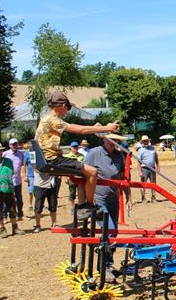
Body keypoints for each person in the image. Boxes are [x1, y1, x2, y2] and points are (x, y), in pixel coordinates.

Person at [34, 90, 120, 218]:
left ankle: (82, 205)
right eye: (68, 108)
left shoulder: (46, 119)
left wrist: (94, 127)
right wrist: (107, 128)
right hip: (51, 160)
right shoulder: (52, 120)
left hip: (49, 159)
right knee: (93, 172)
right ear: (63, 106)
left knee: (82, 174)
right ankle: (90, 206)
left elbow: (83, 128)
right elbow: (81, 130)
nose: (67, 111)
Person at [84, 135, 131, 281]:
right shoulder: (94, 153)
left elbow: (123, 177)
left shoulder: (118, 156)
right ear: (104, 140)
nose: (113, 143)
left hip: (113, 199)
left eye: (115, 141)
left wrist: (128, 196)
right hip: (99, 199)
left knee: (113, 233)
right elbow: (83, 174)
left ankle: (108, 264)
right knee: (109, 230)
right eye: (110, 140)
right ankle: (103, 265)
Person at [0, 142, 23, 238]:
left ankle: (15, 228)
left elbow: (11, 173)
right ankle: (2, 229)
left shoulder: (8, 161)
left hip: (8, 189)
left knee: (12, 209)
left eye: (0, 150)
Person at [2, 138, 26, 221]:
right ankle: (5, 216)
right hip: (8, 180)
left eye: (16, 144)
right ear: (9, 145)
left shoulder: (21, 154)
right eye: (13, 144)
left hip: (18, 180)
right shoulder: (5, 154)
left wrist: (24, 175)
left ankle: (20, 214)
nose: (15, 146)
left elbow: (23, 165)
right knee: (6, 199)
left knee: (19, 199)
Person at [63, 141, 85, 214]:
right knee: (72, 192)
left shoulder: (81, 156)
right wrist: (65, 177)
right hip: (71, 177)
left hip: (80, 177)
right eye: (74, 147)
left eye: (76, 147)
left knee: (81, 193)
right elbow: (64, 168)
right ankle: (72, 207)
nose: (75, 148)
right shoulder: (67, 156)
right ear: (71, 148)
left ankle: (80, 206)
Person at [137, 135, 160, 203]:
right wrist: (140, 171)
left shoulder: (153, 148)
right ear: (142, 142)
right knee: (143, 184)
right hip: (144, 168)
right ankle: (143, 198)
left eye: (146, 141)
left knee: (153, 184)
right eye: (144, 141)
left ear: (148, 141)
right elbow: (138, 162)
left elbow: (156, 159)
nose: (145, 142)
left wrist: (158, 167)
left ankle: (153, 197)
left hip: (152, 168)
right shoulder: (140, 150)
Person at [23, 142, 35, 216]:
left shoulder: (38, 153)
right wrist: (25, 175)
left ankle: (38, 204)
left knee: (38, 191)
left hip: (38, 175)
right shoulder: (26, 154)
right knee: (31, 191)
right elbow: (24, 165)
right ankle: (30, 204)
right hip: (30, 175)